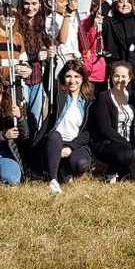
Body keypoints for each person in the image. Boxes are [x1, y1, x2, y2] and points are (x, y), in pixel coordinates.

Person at [87, 61, 135, 182]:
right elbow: (105, 129)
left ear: (129, 78)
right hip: (107, 145)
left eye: (123, 76)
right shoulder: (103, 97)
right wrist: (127, 144)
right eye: (116, 76)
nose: (120, 80)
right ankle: (110, 173)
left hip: (129, 148)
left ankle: (117, 171)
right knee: (128, 155)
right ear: (111, 77)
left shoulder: (131, 96)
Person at [36, 60, 94, 194]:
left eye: (76, 77)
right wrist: (51, 61)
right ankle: (53, 180)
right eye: (68, 76)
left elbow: (88, 132)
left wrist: (71, 147)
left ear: (82, 79)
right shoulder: (59, 94)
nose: (72, 80)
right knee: (55, 135)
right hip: (55, 141)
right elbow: (48, 81)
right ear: (63, 78)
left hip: (75, 143)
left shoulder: (89, 101)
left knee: (81, 164)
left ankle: (64, 169)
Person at [16, 0, 54, 128]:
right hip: (21, 78)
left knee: (35, 117)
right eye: (26, 3)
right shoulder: (16, 24)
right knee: (21, 117)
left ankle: (33, 146)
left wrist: (49, 52)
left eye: (34, 3)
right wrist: (36, 56)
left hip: (38, 78)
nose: (30, 7)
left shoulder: (42, 23)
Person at [78, 0, 108, 94]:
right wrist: (94, 28)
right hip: (92, 70)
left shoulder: (110, 21)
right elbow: (85, 46)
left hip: (107, 70)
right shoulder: (84, 23)